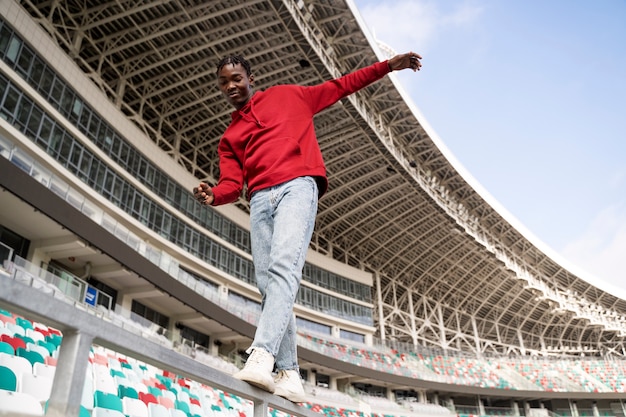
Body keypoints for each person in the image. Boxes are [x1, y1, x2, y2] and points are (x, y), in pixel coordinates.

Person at [193, 51, 422, 402]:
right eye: (223, 82)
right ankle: (290, 374)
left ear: (250, 77)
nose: (230, 86)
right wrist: (213, 195)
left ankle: (262, 355)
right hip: (257, 200)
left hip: (297, 186)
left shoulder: (290, 95)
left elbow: (343, 85)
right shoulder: (230, 136)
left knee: (285, 266)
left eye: (236, 78)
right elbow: (230, 184)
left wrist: (389, 66)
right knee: (267, 284)